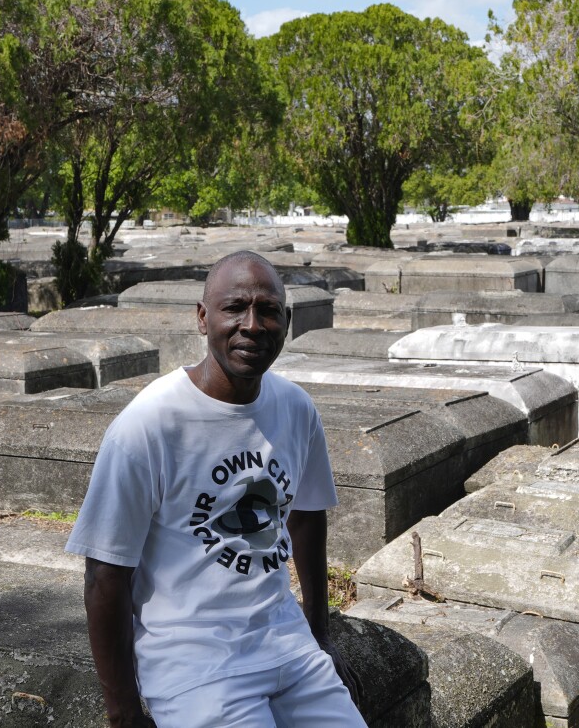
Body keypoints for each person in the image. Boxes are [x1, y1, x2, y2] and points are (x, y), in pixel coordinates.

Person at [66, 251, 365, 728]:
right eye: (234, 308)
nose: (252, 324)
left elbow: (306, 516)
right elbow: (105, 575)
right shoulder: (149, 426)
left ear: (286, 322)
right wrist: (122, 711)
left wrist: (320, 633)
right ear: (203, 319)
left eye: (268, 310)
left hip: (287, 645)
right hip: (195, 664)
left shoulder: (296, 408)